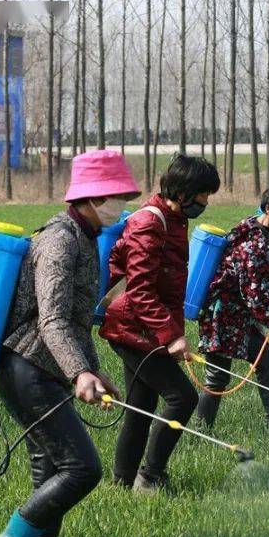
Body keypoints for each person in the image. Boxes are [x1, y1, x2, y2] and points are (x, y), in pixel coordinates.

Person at [0, 150, 140, 537]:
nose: (121, 205)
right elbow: (52, 319)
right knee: (82, 468)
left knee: (51, 469)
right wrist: (79, 372)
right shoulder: (59, 240)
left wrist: (93, 368)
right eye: (116, 196)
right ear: (92, 198)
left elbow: (77, 320)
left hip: (44, 367)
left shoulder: (85, 236)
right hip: (27, 369)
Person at [99, 154, 221, 494]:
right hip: (132, 328)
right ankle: (150, 477)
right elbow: (140, 291)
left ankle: (122, 483)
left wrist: (171, 332)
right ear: (182, 192)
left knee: (140, 407)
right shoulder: (149, 223)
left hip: (144, 327)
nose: (205, 201)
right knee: (183, 398)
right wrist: (171, 336)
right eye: (203, 194)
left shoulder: (173, 219)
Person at [195, 184, 269, 430]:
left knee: (266, 362)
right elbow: (255, 295)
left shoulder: (262, 232)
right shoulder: (254, 243)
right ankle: (200, 430)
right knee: (217, 377)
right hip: (222, 316)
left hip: (241, 316)